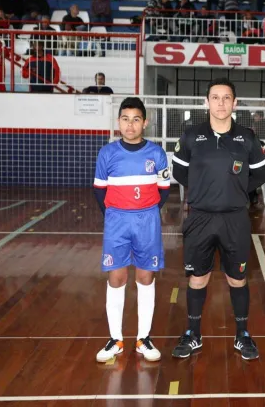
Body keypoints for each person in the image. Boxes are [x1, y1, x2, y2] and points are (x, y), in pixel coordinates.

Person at [171, 78, 265, 360]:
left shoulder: (247, 138)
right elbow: (180, 173)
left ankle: (242, 335)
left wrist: (234, 190)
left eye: (227, 98)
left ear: (235, 103)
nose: (221, 103)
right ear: (207, 102)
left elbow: (260, 175)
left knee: (237, 278)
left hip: (235, 219)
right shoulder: (191, 136)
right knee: (197, 278)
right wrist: (204, 189)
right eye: (216, 97)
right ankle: (193, 334)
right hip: (200, 218)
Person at [93, 97, 170, 363]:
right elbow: (99, 191)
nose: (130, 124)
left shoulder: (157, 153)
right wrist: (117, 215)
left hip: (148, 221)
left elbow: (164, 190)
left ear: (144, 122)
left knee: (146, 277)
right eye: (125, 119)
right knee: (116, 278)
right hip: (117, 222)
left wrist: (146, 213)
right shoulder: (107, 154)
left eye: (136, 119)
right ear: (118, 122)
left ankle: (143, 339)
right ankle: (115, 339)